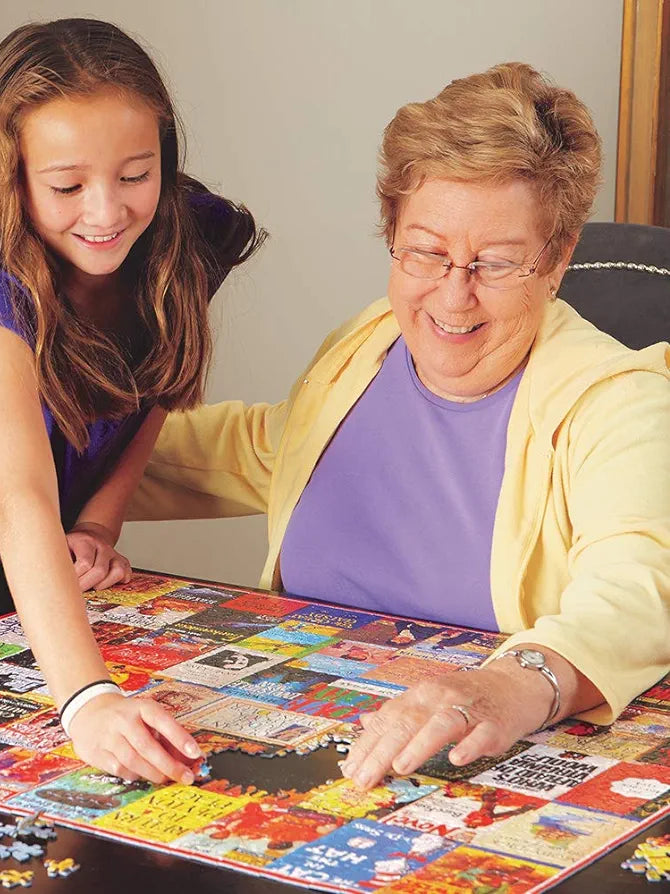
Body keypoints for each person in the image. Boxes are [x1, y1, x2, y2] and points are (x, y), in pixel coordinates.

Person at [129, 63, 670, 789]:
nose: (453, 293)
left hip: (478, 774)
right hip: (291, 751)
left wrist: (509, 686)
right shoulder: (370, 343)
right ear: (391, 232)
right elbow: (262, 451)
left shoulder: (620, 399)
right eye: (426, 250)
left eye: (495, 263)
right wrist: (54, 448)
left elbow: (638, 591)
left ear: (557, 258)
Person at [0, 18, 263, 785]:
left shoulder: (184, 236)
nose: (106, 212)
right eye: (67, 186)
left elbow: (154, 391)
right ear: (13, 183)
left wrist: (100, 518)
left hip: (36, 563)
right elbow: (24, 504)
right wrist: (88, 698)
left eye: (135, 174)